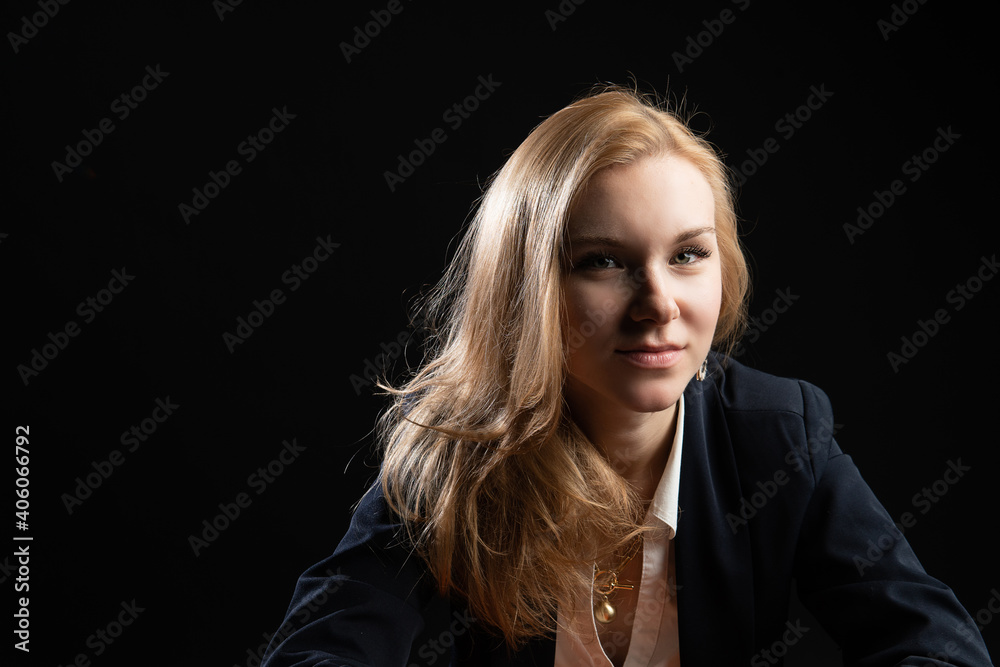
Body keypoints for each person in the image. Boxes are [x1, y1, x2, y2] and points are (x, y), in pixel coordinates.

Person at [260, 86, 993, 666]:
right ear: (528, 290)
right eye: (603, 261)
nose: (658, 306)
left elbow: (937, 648)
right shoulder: (459, 449)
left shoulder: (778, 434)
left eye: (687, 254)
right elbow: (319, 649)